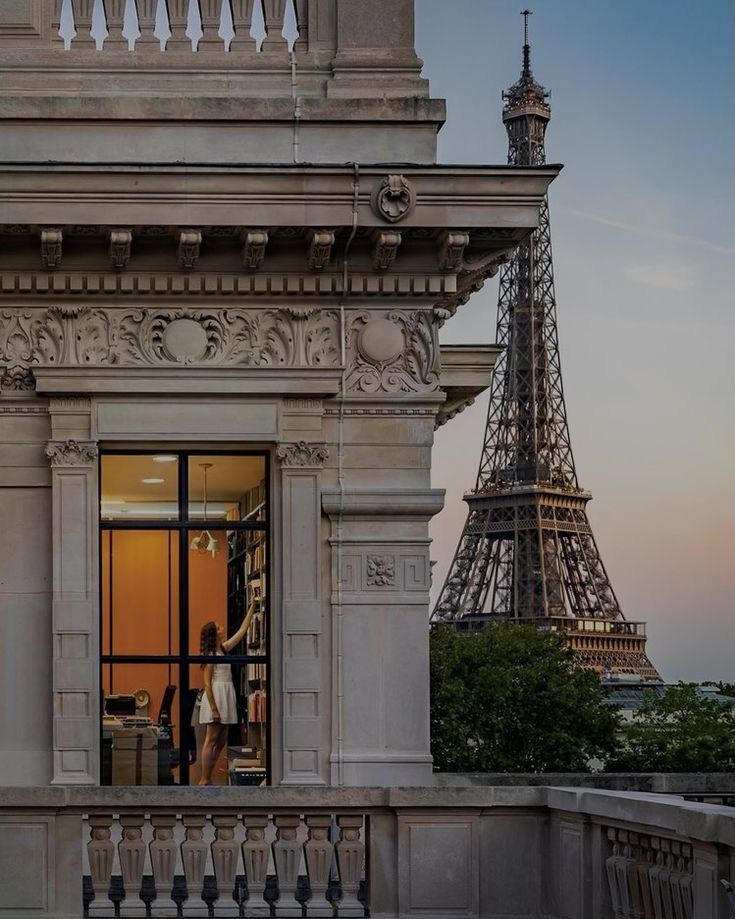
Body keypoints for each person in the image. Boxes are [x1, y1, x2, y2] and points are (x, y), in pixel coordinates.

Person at [198, 599, 256, 786]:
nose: (223, 628)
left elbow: (242, 631)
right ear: (214, 635)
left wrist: (252, 606)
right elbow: (207, 684)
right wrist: (214, 708)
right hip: (216, 695)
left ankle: (208, 774)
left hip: (225, 694)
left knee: (221, 740)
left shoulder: (223, 650)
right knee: (211, 738)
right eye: (219, 627)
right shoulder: (210, 657)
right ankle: (204, 778)